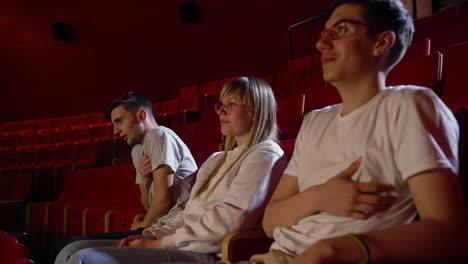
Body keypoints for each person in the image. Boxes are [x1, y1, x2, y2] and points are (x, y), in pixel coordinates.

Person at [255, 0, 468, 263]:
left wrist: (339, 249)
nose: (322, 44)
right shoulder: (314, 122)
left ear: (381, 42)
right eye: (324, 32)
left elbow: (449, 233)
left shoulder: (408, 105)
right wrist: (321, 196)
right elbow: (270, 221)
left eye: (341, 29)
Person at [58, 76, 289, 264]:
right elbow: (188, 215)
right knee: (72, 249)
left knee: (83, 258)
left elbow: (229, 222)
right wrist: (152, 234)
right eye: (221, 105)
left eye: (232, 104)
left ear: (258, 110)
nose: (221, 111)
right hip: (182, 241)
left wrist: (158, 243)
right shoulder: (216, 159)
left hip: (208, 251)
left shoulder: (266, 154)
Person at [53, 92, 198, 263]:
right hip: (159, 224)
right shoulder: (137, 149)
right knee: (64, 248)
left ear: (141, 115)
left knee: (65, 248)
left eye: (119, 121)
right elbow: (148, 205)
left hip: (175, 226)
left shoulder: (158, 135)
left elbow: (163, 202)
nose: (115, 131)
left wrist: (144, 225)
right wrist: (145, 182)